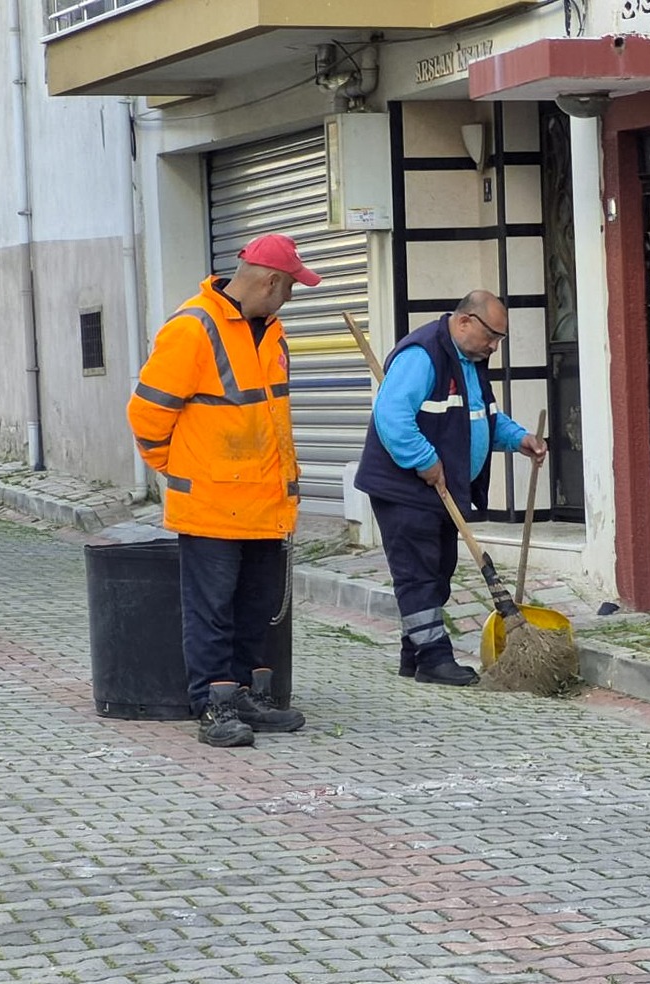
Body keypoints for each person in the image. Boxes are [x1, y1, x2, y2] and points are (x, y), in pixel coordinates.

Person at [127, 233, 316, 748]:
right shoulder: (193, 327)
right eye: (291, 287)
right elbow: (146, 414)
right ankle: (213, 706)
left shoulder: (271, 332)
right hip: (212, 502)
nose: (292, 298)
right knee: (212, 610)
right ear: (272, 281)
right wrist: (182, 470)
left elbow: (272, 416)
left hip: (263, 501)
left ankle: (247, 698)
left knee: (254, 608)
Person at [354, 291, 545, 686]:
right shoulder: (422, 355)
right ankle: (434, 659)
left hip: (442, 488)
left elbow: (482, 416)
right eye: (491, 336)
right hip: (404, 487)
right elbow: (391, 417)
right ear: (464, 322)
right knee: (419, 574)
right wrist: (424, 460)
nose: (494, 346)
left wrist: (518, 438)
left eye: (500, 339)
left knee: (438, 571)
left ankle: (414, 654)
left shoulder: (471, 362)